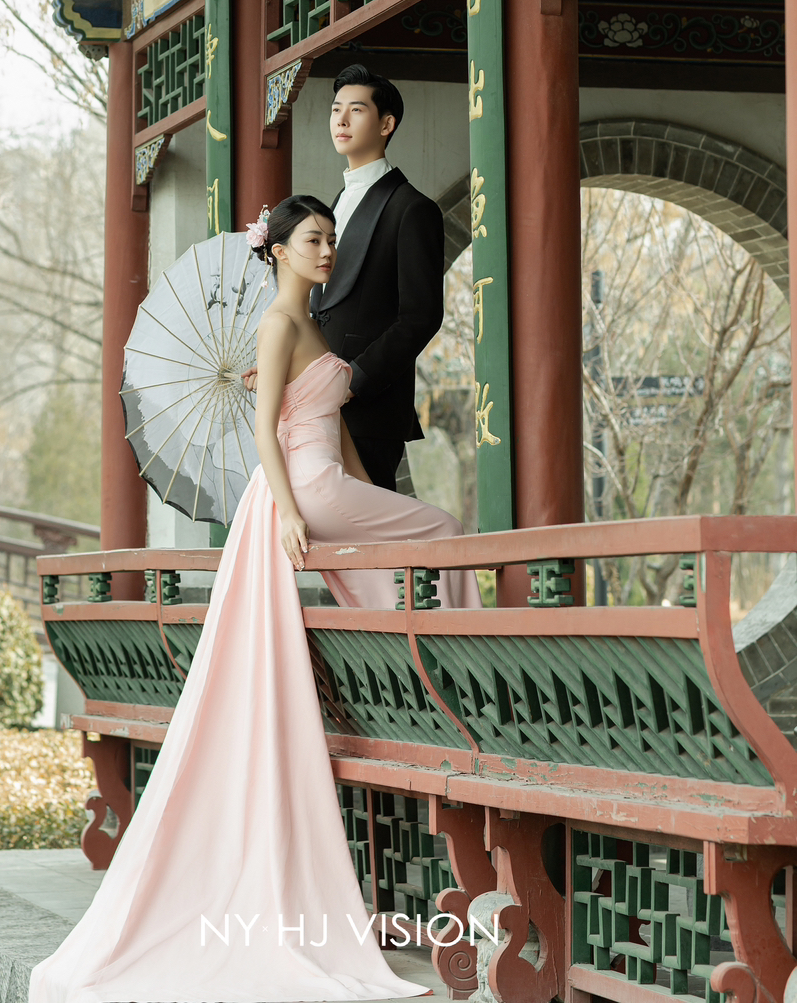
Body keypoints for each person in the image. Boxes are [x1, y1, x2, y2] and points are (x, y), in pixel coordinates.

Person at [29, 196, 478, 1003]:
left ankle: (418, 648)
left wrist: (369, 501)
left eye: (331, 239)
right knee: (443, 526)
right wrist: (293, 511)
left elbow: (333, 426)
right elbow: (265, 430)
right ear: (277, 250)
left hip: (328, 483)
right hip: (305, 488)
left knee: (417, 536)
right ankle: (460, 657)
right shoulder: (277, 325)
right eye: (313, 239)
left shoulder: (310, 325)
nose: (327, 250)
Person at [314, 64, 444, 494]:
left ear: (386, 124)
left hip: (367, 409)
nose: (341, 120)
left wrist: (355, 380)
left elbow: (420, 317)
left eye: (356, 110)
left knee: (366, 527)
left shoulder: (412, 209)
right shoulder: (336, 203)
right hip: (317, 405)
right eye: (336, 109)